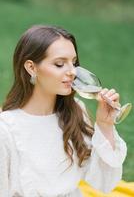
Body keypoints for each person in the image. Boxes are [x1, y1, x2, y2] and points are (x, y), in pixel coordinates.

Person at [0, 25, 127, 197]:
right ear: (31, 67)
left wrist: (105, 126)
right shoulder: (6, 128)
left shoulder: (75, 110)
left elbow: (102, 184)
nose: (72, 72)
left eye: (73, 62)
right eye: (60, 64)